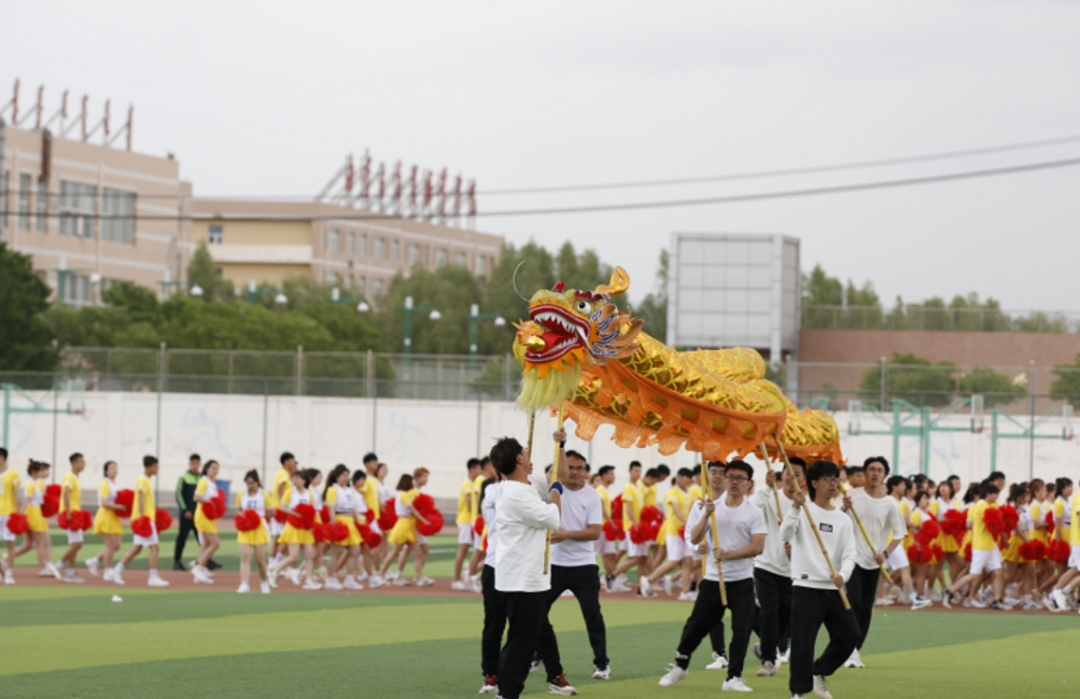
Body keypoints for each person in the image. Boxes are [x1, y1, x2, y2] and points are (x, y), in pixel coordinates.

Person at [657, 461, 765, 692]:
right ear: (724, 480)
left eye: (740, 478)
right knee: (696, 625)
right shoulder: (707, 506)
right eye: (730, 477)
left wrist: (728, 555)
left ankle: (733, 677)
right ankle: (681, 665)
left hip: (742, 580)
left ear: (748, 484)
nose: (734, 481)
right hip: (714, 579)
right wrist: (706, 514)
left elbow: (758, 546)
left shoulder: (754, 512)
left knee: (742, 628)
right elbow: (694, 538)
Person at [491, 431, 563, 699]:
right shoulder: (515, 493)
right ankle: (507, 694)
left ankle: (506, 692)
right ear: (519, 459)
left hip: (524, 577)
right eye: (525, 452)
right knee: (522, 643)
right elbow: (553, 517)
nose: (529, 454)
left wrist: (561, 444)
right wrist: (556, 491)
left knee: (521, 639)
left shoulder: (526, 484)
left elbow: (558, 474)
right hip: (521, 578)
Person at [782, 460, 858, 699]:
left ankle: (819, 671)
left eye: (836, 480)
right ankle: (798, 692)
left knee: (850, 635)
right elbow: (785, 534)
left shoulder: (843, 519)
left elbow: (850, 554)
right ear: (814, 483)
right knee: (803, 642)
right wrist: (795, 507)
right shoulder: (803, 510)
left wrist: (843, 575)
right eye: (828, 480)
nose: (833, 484)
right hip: (806, 586)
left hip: (834, 588)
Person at [840, 456, 925, 671]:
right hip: (851, 558)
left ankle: (855, 648)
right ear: (865, 473)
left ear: (885, 475)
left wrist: (885, 554)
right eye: (871, 469)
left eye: (879, 470)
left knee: (866, 608)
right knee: (854, 601)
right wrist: (843, 508)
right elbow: (835, 521)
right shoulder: (850, 496)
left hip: (874, 562)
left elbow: (899, 533)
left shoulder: (890, 504)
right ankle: (848, 648)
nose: (875, 473)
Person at [535, 449, 608, 690]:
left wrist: (566, 534)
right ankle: (538, 655)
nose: (575, 472)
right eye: (571, 467)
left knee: (592, 613)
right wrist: (560, 446)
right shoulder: (553, 490)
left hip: (584, 565)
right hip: (554, 564)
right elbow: (549, 475)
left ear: (586, 471)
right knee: (537, 611)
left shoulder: (593, 496)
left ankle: (601, 664)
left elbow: (594, 532)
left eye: (580, 468)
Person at [750, 457, 805, 677]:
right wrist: (766, 486)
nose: (792, 477)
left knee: (787, 619)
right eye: (788, 472)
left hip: (794, 572)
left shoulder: (808, 505)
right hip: (766, 566)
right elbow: (751, 510)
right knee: (769, 612)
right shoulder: (771, 497)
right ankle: (769, 661)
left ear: (804, 478)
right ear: (781, 475)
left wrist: (797, 549)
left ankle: (767, 646)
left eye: (797, 474)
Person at [944, 483, 1008, 610]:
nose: (997, 497)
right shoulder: (981, 505)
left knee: (998, 572)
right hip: (981, 546)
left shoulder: (986, 505)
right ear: (988, 494)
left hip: (989, 545)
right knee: (974, 574)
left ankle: (997, 601)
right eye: (995, 494)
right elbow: (991, 524)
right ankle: (949, 592)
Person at [113, 456, 170, 588]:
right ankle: (153, 577)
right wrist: (143, 519)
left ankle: (116, 570)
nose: (157, 469)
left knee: (137, 548)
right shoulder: (143, 480)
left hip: (144, 519)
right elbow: (141, 499)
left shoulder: (145, 480)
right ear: (148, 467)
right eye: (155, 467)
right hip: (144, 520)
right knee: (154, 548)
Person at [641, 468, 695, 599]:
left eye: (682, 477)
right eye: (678, 477)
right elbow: (676, 511)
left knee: (688, 561)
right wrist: (689, 525)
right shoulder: (672, 492)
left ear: (689, 479)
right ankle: (649, 580)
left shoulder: (690, 492)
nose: (679, 480)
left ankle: (685, 591)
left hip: (685, 532)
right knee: (674, 561)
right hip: (673, 531)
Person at [269, 469, 321, 590]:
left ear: (304, 480)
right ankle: (274, 572)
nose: (295, 481)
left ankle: (308, 580)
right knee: (294, 555)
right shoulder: (290, 492)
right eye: (294, 479)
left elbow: (311, 508)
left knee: (309, 555)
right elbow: (282, 506)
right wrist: (295, 513)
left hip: (305, 527)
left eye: (298, 479)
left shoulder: (309, 493)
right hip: (293, 526)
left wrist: (311, 523)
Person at [478, 470, 506, 694]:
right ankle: (491, 675)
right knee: (494, 626)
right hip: (496, 567)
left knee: (530, 627)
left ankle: (554, 674)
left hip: (522, 570)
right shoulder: (492, 490)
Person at [380, 470, 433, 586]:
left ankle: (420, 578)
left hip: (408, 526)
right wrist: (424, 520)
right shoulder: (403, 494)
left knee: (417, 554)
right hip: (403, 526)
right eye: (411, 482)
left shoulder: (402, 494)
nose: (412, 484)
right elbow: (413, 510)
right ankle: (381, 575)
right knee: (394, 552)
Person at [15, 460, 60, 580]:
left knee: (31, 544)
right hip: (32, 513)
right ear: (33, 472)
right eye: (40, 471)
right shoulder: (31, 484)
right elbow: (26, 502)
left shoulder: (34, 482)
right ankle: (43, 568)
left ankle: (5, 559)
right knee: (41, 542)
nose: (42, 473)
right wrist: (19, 517)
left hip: (36, 512)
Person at [323, 464, 365, 591]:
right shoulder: (333, 490)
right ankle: (330, 579)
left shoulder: (349, 491)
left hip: (351, 523)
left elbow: (353, 509)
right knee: (337, 552)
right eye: (344, 475)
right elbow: (331, 510)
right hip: (340, 521)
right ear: (337, 477)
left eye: (348, 475)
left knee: (355, 551)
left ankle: (349, 579)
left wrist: (358, 524)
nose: (347, 478)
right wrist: (335, 526)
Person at [85, 461, 125, 581]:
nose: (115, 470)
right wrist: (120, 507)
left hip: (113, 516)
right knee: (111, 546)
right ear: (106, 471)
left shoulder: (115, 484)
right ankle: (107, 571)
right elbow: (104, 502)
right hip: (106, 516)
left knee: (117, 545)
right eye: (111, 468)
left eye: (115, 467)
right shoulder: (104, 483)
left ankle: (94, 560)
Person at [235, 469, 272, 593]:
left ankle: (264, 582)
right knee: (245, 557)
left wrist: (261, 518)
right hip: (246, 528)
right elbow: (238, 509)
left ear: (257, 482)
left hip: (259, 528)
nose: (250, 486)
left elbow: (272, 511)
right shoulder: (242, 494)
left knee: (259, 559)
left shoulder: (264, 494)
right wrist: (243, 516)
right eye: (248, 483)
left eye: (252, 483)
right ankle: (244, 584)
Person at [191, 460, 223, 584]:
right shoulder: (204, 481)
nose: (215, 471)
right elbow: (196, 497)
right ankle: (198, 568)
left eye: (217, 468)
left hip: (209, 516)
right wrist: (210, 502)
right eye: (213, 468)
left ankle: (200, 572)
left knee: (205, 544)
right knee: (215, 544)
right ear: (206, 469)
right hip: (203, 515)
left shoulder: (211, 482)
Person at [57, 453, 87, 583]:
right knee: (77, 543)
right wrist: (68, 513)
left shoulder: (75, 477)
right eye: (81, 462)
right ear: (74, 463)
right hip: (71, 514)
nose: (83, 464)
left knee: (75, 544)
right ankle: (59, 564)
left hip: (75, 513)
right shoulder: (69, 476)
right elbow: (66, 493)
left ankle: (70, 571)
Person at [453, 458, 482, 590]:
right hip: (466, 520)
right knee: (463, 549)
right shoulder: (467, 484)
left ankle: (468, 571)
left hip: (469, 520)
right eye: (478, 469)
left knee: (474, 549)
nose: (480, 471)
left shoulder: (472, 483)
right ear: (472, 469)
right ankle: (456, 580)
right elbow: (470, 505)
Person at [269, 452, 298, 570]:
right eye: (292, 460)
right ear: (286, 461)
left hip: (280, 509)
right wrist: (283, 506)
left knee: (280, 538)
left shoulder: (285, 474)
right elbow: (281, 488)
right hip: (279, 510)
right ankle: (273, 564)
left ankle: (276, 563)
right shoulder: (283, 473)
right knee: (278, 538)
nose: (294, 463)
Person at [173, 453, 202, 571]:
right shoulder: (184, 478)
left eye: (197, 463)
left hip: (199, 515)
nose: (195, 465)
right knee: (182, 538)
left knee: (202, 539)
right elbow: (179, 495)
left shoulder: (202, 478)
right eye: (193, 463)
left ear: (200, 464)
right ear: (189, 464)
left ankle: (204, 561)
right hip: (187, 515)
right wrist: (185, 510)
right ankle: (177, 562)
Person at [0, 447, 23, 585]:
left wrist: (17, 514)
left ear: (2, 457)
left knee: (10, 544)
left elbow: (17, 495)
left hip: (8, 514)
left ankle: (9, 573)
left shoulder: (13, 474)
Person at [594, 464, 618, 589]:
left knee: (610, 555)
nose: (613, 476)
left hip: (606, 529)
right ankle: (589, 580)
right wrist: (612, 522)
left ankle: (609, 580)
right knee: (592, 555)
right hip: (601, 528)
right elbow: (601, 509)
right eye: (611, 474)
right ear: (604, 475)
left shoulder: (605, 490)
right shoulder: (600, 490)